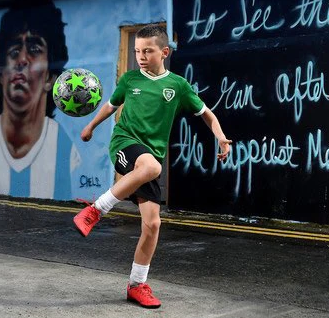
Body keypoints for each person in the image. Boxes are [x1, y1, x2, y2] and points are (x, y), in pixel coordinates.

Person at [74, 24, 230, 309]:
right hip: (125, 143)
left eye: (147, 51)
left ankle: (136, 285)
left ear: (164, 52)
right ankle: (96, 210)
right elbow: (110, 106)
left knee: (153, 224)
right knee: (152, 168)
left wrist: (220, 137)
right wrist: (91, 126)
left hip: (149, 156)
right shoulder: (129, 79)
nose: (141, 57)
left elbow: (207, 114)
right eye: (137, 51)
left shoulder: (178, 86)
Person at [0, 0, 80, 200]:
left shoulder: (65, 150)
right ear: (1, 75)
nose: (21, 60)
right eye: (14, 51)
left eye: (34, 49)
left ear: (50, 78)